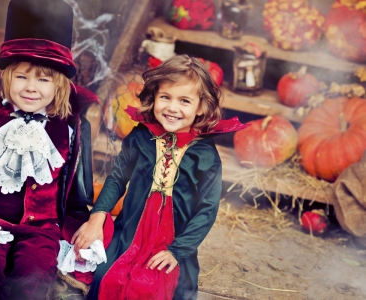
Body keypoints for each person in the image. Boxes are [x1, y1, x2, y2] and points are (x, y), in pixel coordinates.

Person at [0, 0, 112, 299]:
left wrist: (78, 230)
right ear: (6, 78)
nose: (31, 87)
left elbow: (76, 195)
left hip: (43, 229)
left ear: (58, 86)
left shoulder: (73, 130)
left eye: (43, 79)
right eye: (21, 76)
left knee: (33, 279)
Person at [72, 54, 249, 299]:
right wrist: (97, 217)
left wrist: (177, 252)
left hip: (172, 240)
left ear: (201, 106)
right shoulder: (140, 136)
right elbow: (117, 178)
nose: (172, 108)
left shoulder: (205, 155)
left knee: (161, 288)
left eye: (185, 101)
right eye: (165, 97)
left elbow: (207, 210)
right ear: (154, 96)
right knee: (108, 278)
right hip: (132, 230)